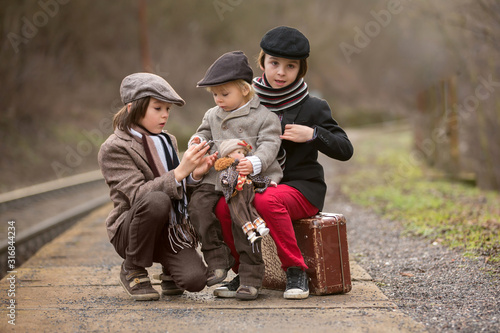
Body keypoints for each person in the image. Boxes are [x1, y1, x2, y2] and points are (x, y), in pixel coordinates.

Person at [214, 26, 354, 300]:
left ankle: (296, 271)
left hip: (301, 188)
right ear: (262, 61)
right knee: (221, 205)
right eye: (274, 63)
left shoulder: (313, 107)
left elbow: (345, 149)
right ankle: (244, 272)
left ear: (300, 70)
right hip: (253, 182)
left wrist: (313, 134)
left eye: (290, 66)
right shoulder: (244, 101)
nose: (280, 72)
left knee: (267, 200)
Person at [98, 73, 216, 301]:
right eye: (157, 108)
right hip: (130, 230)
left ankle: (169, 270)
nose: (165, 115)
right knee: (156, 200)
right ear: (133, 108)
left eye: (168, 109)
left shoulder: (167, 140)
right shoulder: (114, 148)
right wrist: (180, 171)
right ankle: (132, 267)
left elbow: (179, 190)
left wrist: (194, 175)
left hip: (170, 232)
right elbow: (137, 196)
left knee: (195, 281)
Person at [188, 51, 282, 300]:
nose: (219, 99)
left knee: (243, 220)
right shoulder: (212, 115)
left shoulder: (265, 117)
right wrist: (197, 141)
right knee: (197, 207)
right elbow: (204, 133)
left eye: (224, 94)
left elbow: (270, 145)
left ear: (244, 89)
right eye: (215, 94)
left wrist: (254, 162)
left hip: (244, 178)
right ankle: (217, 258)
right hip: (216, 177)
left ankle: (251, 276)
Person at [214, 139, 276, 244]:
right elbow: (224, 178)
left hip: (248, 192)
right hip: (236, 195)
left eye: (243, 153)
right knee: (240, 212)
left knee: (251, 209)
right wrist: (225, 182)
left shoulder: (244, 167)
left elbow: (255, 178)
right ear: (229, 154)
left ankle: (260, 227)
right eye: (239, 152)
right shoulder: (229, 170)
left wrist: (268, 182)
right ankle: (250, 234)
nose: (242, 155)